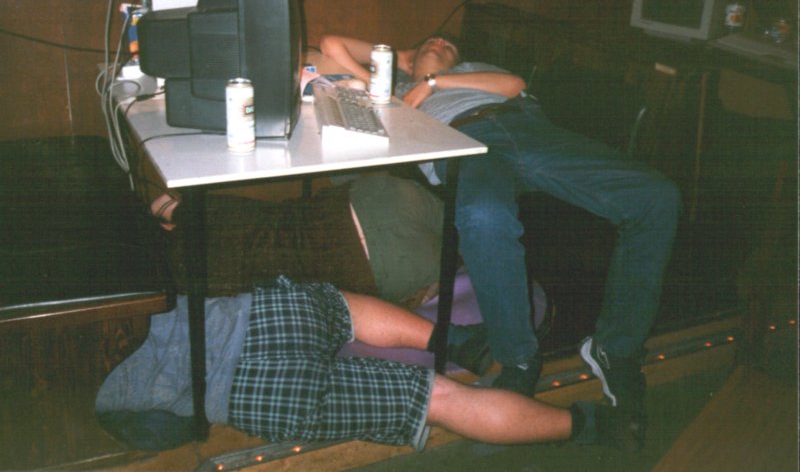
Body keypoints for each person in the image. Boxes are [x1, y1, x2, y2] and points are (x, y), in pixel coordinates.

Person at [319, 33, 681, 413]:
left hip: (528, 130)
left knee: (656, 197)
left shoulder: (471, 71)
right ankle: (518, 359)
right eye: (429, 43)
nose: (440, 42)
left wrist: (434, 81)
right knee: (483, 215)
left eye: (449, 45)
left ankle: (616, 349)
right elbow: (330, 45)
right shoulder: (393, 91)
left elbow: (513, 85)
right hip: (462, 142)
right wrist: (405, 58)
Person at [96, 276, 644, 453]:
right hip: (255, 319)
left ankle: (591, 426)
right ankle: (455, 341)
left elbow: (162, 432)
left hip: (250, 394)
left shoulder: (69, 384)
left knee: (441, 401)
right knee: (339, 309)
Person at [149, 173, 444, 308]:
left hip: (382, 235)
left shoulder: (194, 278)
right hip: (382, 249)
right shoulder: (211, 224)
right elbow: (163, 203)